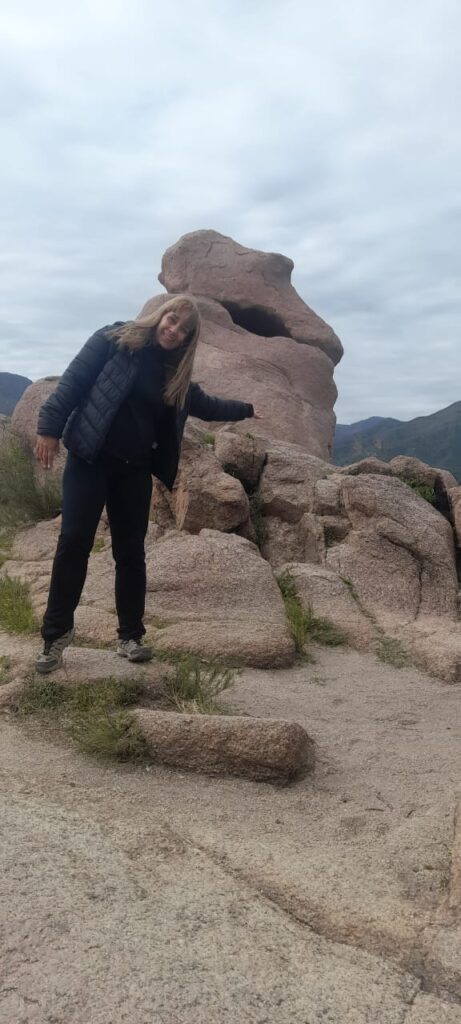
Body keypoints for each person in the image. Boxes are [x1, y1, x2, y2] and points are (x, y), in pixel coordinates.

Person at [34, 294, 255, 674]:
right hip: (90, 461)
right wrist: (48, 428)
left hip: (133, 471)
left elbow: (207, 405)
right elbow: (73, 382)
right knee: (73, 543)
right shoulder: (114, 340)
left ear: (188, 340)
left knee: (131, 554)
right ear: (160, 316)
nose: (174, 331)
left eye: (184, 330)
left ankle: (130, 636)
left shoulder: (174, 373)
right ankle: (55, 637)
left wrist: (247, 410)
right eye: (172, 320)